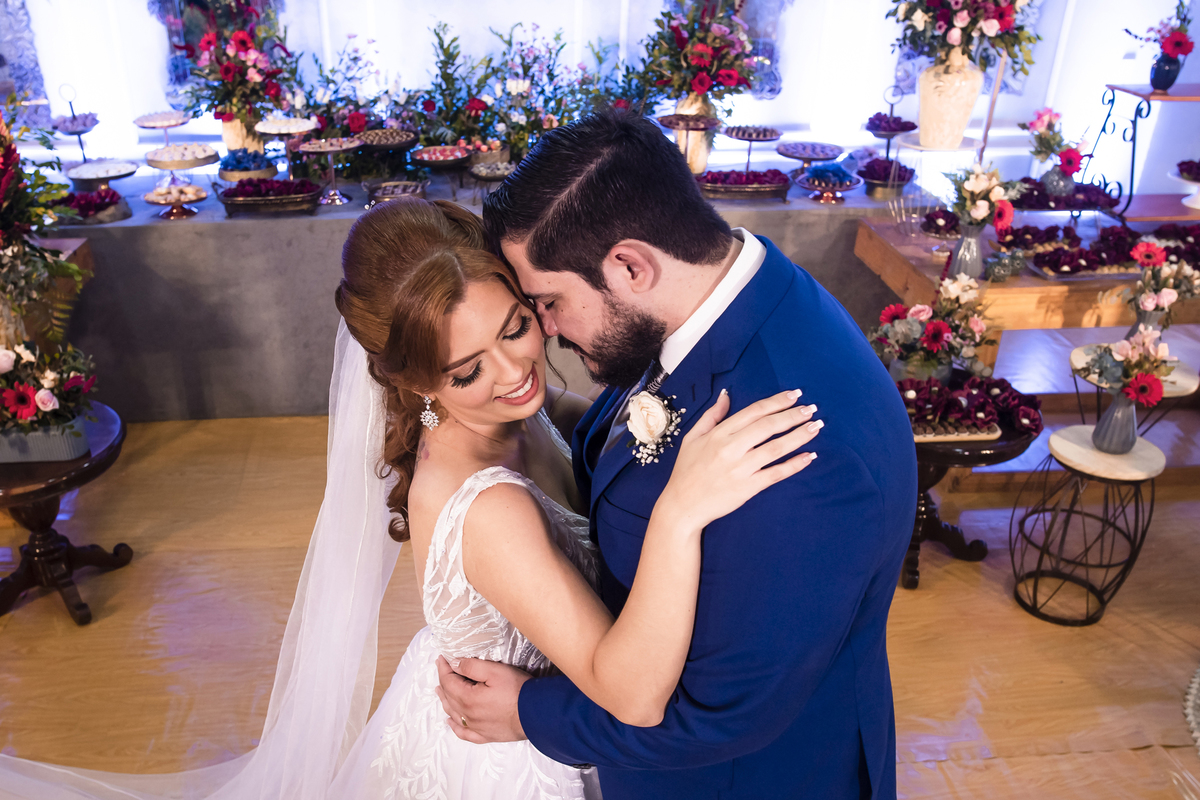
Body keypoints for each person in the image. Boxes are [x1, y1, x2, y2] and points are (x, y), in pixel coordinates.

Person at [0, 198, 819, 800]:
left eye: (515, 326)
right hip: (504, 758)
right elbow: (632, 693)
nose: (512, 373)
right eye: (466, 371)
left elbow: (592, 425)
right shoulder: (487, 506)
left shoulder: (507, 420)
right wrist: (678, 514)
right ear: (412, 382)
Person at [435, 111, 917, 800]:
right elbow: (621, 441)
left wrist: (525, 711)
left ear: (631, 265)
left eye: (549, 303)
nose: (544, 329)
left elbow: (724, 715)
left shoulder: (796, 456)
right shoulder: (727, 299)